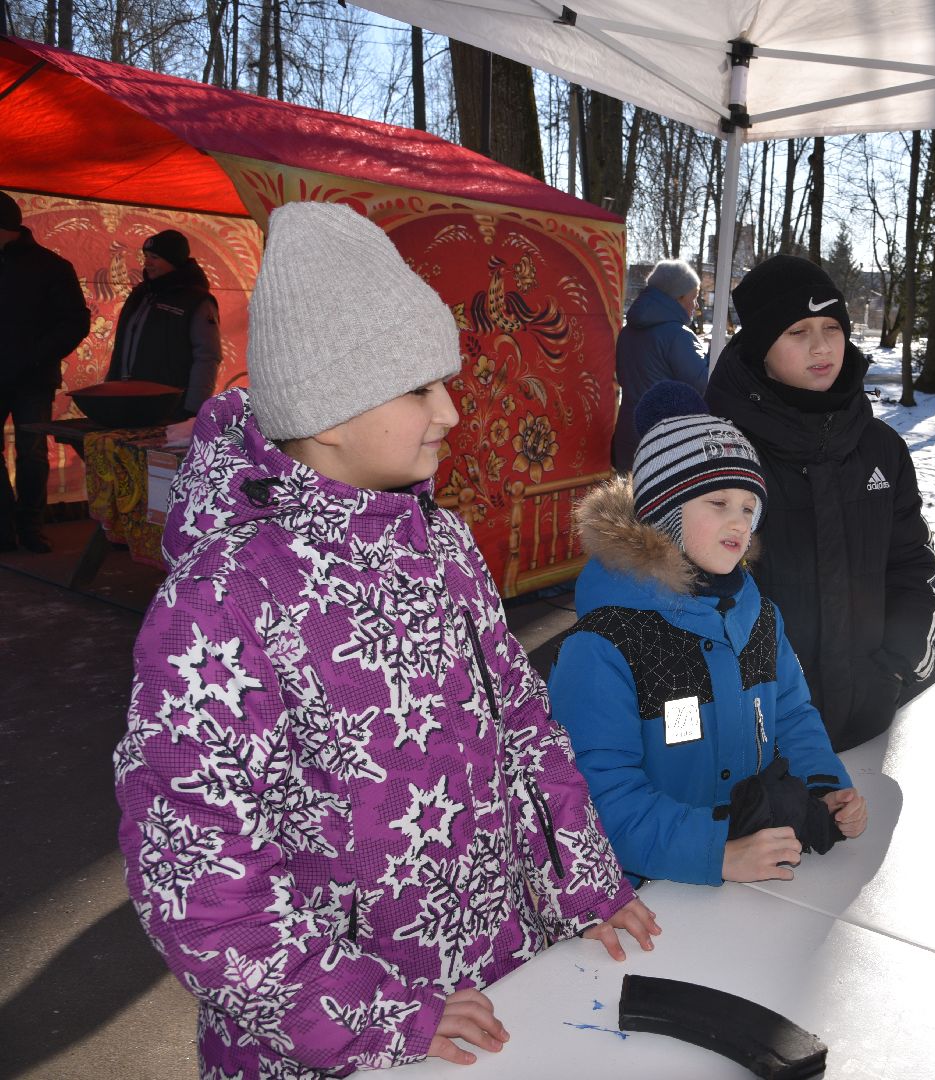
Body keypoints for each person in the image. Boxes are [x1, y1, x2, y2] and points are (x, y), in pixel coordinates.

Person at [113, 201, 658, 1079]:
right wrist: (368, 1014)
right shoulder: (223, 600)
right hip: (331, 1040)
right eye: (418, 389)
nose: (449, 411)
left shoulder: (438, 544)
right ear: (329, 411)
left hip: (488, 986)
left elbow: (523, 731)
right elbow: (203, 878)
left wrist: (584, 884)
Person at [550, 381, 868, 884]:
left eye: (748, 507)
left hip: (748, 871)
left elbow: (793, 715)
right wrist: (716, 851)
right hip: (644, 894)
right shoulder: (604, 645)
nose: (738, 521)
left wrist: (825, 788)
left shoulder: (758, 615)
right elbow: (598, 793)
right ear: (663, 515)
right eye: (717, 502)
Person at [706, 254, 935, 751]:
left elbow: (909, 565)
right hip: (758, 733)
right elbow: (689, 595)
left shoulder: (881, 447)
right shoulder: (721, 452)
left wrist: (897, 658)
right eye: (797, 331)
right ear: (760, 346)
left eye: (832, 326)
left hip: (869, 714)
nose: (821, 346)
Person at [0, 190, 90, 553]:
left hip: (33, 379)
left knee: (32, 451)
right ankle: (4, 526)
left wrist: (35, 357)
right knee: (29, 450)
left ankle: (31, 526)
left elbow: (75, 322)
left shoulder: (51, 267)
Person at [107, 227, 221, 418]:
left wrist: (192, 408)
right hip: (128, 401)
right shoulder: (141, 295)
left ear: (173, 261)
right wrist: (110, 389)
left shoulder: (196, 301)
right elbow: (122, 347)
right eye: (146, 256)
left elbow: (208, 356)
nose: (147, 263)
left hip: (170, 406)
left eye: (155, 257)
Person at [612, 258, 708, 471]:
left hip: (628, 435)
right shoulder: (677, 336)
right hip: (664, 441)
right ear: (679, 297)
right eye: (694, 298)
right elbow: (703, 385)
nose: (696, 306)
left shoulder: (628, 332)